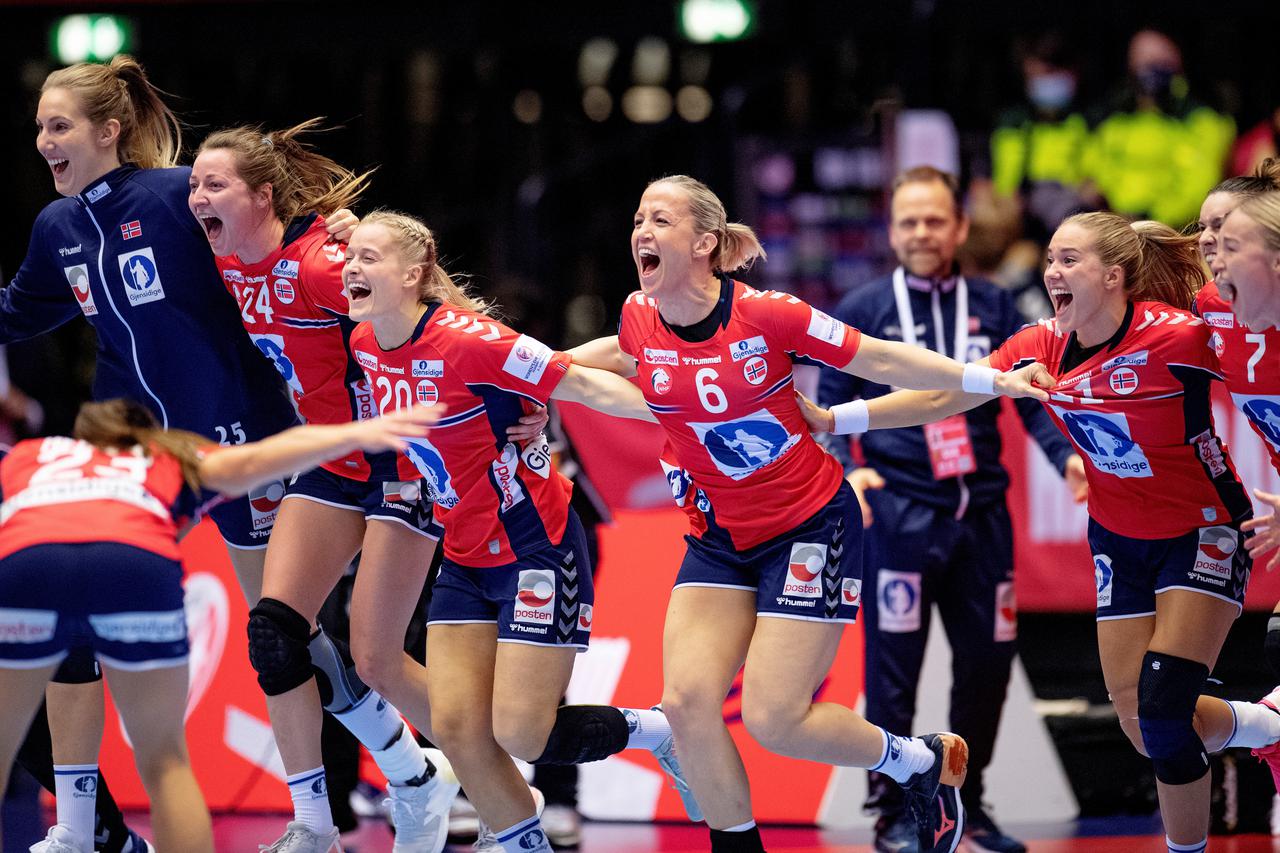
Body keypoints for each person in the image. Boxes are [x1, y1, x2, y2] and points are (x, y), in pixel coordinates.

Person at [567, 175, 1056, 853]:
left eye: (660, 219)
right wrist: (538, 370)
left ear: (705, 241)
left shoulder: (770, 314)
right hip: (718, 535)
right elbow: (620, 352)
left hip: (808, 526)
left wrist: (989, 378)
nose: (641, 231)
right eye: (637, 218)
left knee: (775, 720)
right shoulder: (636, 314)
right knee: (684, 704)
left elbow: (881, 355)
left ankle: (918, 762)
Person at [805, 211, 1280, 853]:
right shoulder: (1039, 345)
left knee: (1166, 714)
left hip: (1202, 530)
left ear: (1113, 277)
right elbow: (944, 395)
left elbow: (1259, 361)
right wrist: (839, 416)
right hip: (1116, 537)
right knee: (1143, 724)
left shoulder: (1179, 338)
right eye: (1050, 259)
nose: (1052, 273)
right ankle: (1264, 724)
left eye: (1069, 261)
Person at [343, 210, 694, 853]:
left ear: (414, 273)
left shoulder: (472, 339)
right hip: (463, 553)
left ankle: (659, 731)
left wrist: (694, 406)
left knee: (523, 733)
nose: (351, 268)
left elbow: (586, 382)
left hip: (537, 548)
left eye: (369, 257)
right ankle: (519, 841)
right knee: (457, 729)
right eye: (350, 256)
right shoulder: (366, 345)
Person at [189, 122, 468, 853]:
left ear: (263, 194)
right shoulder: (228, 263)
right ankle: (315, 824)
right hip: (330, 460)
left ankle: (496, 775)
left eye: (213, 184)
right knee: (274, 630)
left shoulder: (317, 265)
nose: (197, 197)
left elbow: (435, 318)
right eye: (193, 185)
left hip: (399, 464)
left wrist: (508, 396)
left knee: (377, 658)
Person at [0, 397, 444, 853]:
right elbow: (264, 456)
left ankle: (79, 835)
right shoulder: (171, 455)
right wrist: (354, 433)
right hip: (134, 563)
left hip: (27, 567)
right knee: (165, 763)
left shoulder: (31, 456)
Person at [816, 165, 1085, 853]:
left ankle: (971, 802)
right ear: (891, 229)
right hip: (901, 515)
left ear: (960, 227)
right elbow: (825, 402)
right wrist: (853, 471)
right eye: (908, 221)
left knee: (987, 663)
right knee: (892, 670)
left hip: (982, 518)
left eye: (935, 219)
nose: (921, 232)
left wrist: (1067, 459)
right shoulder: (863, 307)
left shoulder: (994, 306)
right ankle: (893, 810)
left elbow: (1032, 397)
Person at [1085, 29, 1234, 229]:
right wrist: (1112, 215)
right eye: (1143, 63)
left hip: (1172, 234)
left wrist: (1148, 221)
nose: (1151, 71)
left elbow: (1198, 186)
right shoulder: (1115, 122)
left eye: (1160, 63)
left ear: (1178, 62)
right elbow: (1094, 173)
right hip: (1114, 229)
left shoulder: (1203, 121)